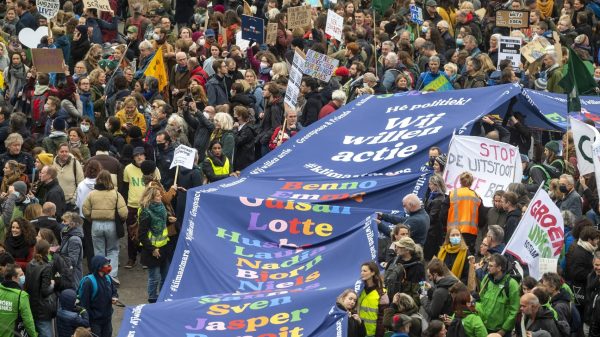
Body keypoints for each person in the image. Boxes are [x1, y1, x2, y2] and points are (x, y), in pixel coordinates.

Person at [82, 170, 128, 284]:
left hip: (96, 224)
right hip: (111, 225)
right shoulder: (116, 194)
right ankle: (111, 276)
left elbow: (85, 210)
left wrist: (91, 218)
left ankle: (99, 275)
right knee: (112, 250)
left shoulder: (92, 194)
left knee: (98, 250)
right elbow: (123, 213)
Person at [138, 185, 170, 303]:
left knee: (165, 276)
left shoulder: (161, 207)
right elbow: (141, 235)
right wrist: (152, 249)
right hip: (152, 251)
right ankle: (152, 298)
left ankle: (161, 298)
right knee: (154, 278)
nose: (160, 197)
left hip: (164, 247)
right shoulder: (145, 212)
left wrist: (168, 220)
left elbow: (160, 223)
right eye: (157, 195)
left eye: (160, 194)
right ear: (151, 197)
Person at [476, 253, 520, 336]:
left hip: (500, 331)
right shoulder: (487, 279)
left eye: (491, 266)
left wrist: (503, 330)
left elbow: (514, 310)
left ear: (499, 268)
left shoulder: (511, 284)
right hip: (484, 327)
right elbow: (481, 300)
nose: (488, 268)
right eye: (488, 265)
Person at [78, 255, 119, 337]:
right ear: (99, 267)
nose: (109, 266)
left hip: (107, 319)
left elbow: (114, 291)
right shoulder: (88, 282)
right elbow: (83, 305)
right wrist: (86, 324)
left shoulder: (108, 278)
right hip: (94, 322)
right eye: (106, 264)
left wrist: (114, 297)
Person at [25, 239, 56, 337]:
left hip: (31, 305)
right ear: (47, 251)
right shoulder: (46, 267)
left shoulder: (30, 264)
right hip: (42, 310)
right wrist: (53, 284)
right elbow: (45, 291)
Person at [445, 171, 482, 252]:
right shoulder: (477, 197)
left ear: (460, 181)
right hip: (470, 234)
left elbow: (442, 214)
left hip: (452, 232)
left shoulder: (452, 194)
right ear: (471, 182)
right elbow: (482, 219)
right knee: (466, 259)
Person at [0, 263, 37, 337]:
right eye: (21, 275)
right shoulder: (21, 295)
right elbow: (28, 321)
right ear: (14, 278)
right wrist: (34, 335)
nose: (23, 277)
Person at [358, 261, 386, 337]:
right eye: (361, 271)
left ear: (373, 273)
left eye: (365, 271)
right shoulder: (360, 290)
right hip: (359, 332)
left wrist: (379, 335)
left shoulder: (382, 293)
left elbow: (382, 318)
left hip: (373, 334)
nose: (362, 273)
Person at [59, 212, 85, 286]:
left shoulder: (74, 239)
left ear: (72, 224)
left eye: (65, 221)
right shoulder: (67, 236)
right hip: (68, 275)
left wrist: (58, 259)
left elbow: (72, 261)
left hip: (72, 278)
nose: (62, 223)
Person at [586, 251, 600, 337]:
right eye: (597, 265)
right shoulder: (590, 276)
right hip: (590, 320)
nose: (599, 268)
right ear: (592, 263)